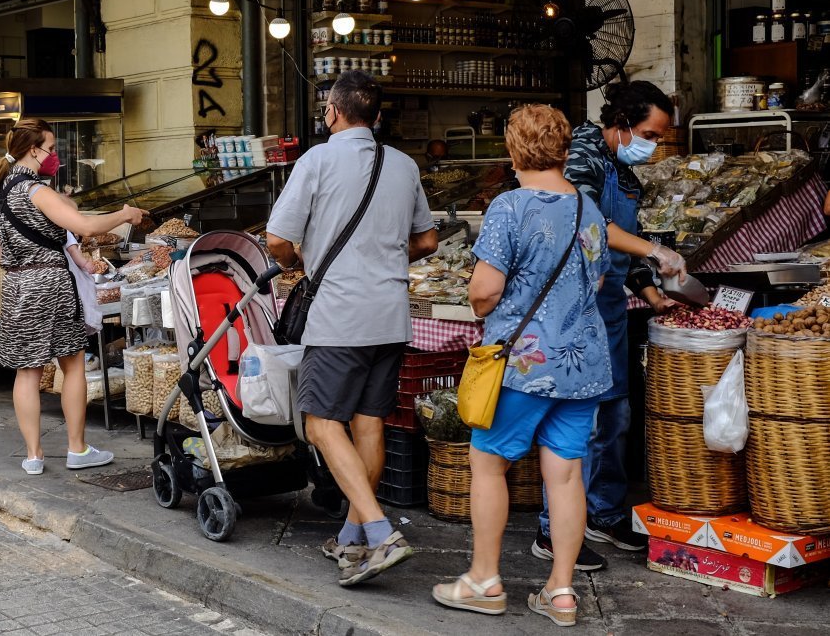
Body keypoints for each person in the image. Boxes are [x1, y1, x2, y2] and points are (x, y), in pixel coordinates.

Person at [432, 105, 611, 628]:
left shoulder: (509, 207)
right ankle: (561, 591)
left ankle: (484, 581)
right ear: (563, 148)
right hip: (582, 365)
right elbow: (596, 282)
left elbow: (485, 289)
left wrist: (483, 304)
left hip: (525, 364)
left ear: (514, 151)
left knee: (488, 464)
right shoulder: (588, 207)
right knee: (566, 474)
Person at [264, 71, 438, 587]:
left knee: (319, 423)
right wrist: (382, 255)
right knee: (368, 422)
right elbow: (427, 242)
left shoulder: (316, 159)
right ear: (378, 117)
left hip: (340, 315)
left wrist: (301, 259)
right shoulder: (404, 165)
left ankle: (382, 533)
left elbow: (277, 239)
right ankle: (352, 537)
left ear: (332, 113)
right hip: (390, 314)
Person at [530, 80, 684, 571]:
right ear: (621, 125)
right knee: (578, 423)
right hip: (576, 310)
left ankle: (603, 513)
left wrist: (653, 294)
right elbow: (588, 221)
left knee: (615, 417)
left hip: (611, 312)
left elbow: (625, 241)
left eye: (660, 138)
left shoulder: (626, 170)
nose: (653, 145)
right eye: (649, 134)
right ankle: (552, 532)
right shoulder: (584, 154)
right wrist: (656, 251)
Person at [0, 118, 146, 475]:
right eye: (51, 149)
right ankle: (77, 449)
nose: (54, 155)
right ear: (32, 150)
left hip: (16, 286)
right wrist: (124, 214)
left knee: (27, 372)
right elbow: (84, 226)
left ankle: (33, 456)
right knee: (71, 364)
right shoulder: (35, 190)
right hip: (50, 283)